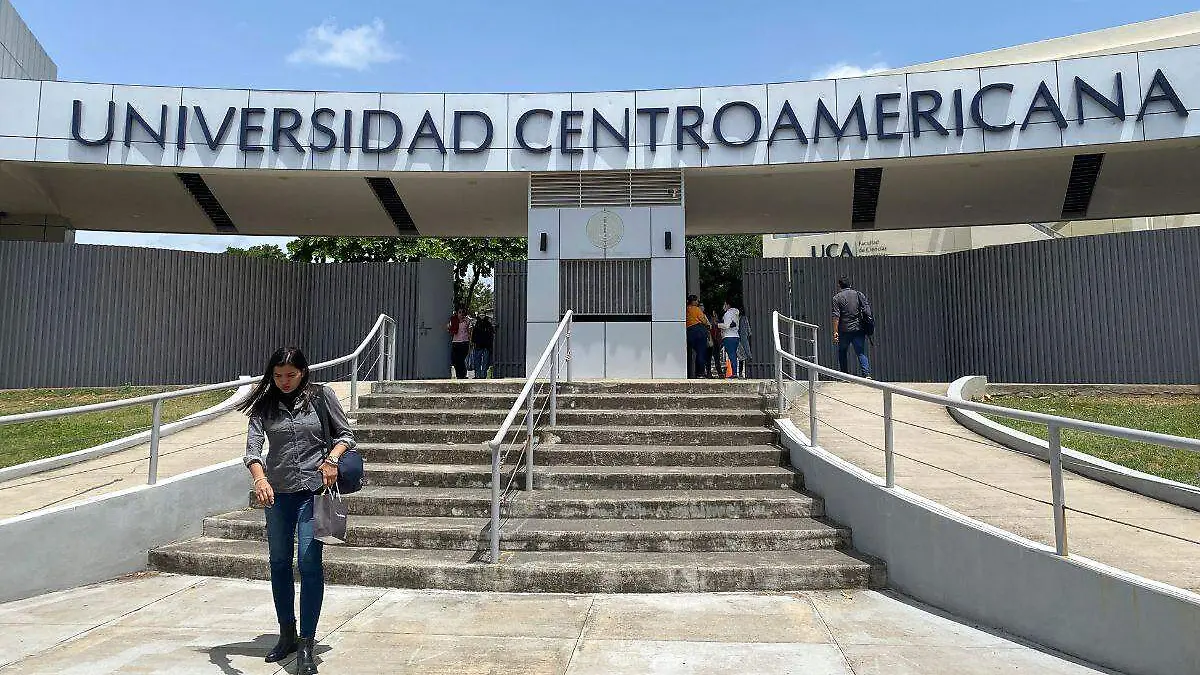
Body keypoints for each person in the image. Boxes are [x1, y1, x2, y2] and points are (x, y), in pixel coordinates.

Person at [239, 347, 354, 675]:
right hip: (277, 494)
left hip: (313, 491)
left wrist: (332, 459)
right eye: (277, 376)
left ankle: (307, 644)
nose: (284, 381)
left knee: (308, 561)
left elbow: (346, 436)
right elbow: (252, 449)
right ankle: (286, 634)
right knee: (278, 562)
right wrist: (259, 478)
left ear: (303, 371)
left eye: (290, 375)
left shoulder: (321, 397)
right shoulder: (264, 404)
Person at [832, 276, 872, 379]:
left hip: (844, 330)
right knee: (861, 352)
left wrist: (835, 331)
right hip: (859, 329)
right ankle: (866, 374)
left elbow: (836, 316)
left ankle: (845, 375)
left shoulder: (837, 298)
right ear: (850, 285)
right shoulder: (858, 294)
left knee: (842, 352)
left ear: (839, 285)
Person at [685, 295, 710, 379]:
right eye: (696, 301)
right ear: (694, 301)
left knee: (690, 352)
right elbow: (704, 320)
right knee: (701, 352)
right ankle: (700, 373)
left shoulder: (685, 309)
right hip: (699, 330)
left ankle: (691, 373)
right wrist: (707, 324)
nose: (697, 302)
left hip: (689, 331)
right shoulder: (696, 309)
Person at [717, 300, 742, 378]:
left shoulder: (728, 313)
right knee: (733, 355)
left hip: (728, 337)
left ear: (728, 305)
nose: (723, 307)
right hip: (736, 336)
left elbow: (726, 325)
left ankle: (734, 373)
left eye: (724, 304)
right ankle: (734, 373)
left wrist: (717, 324)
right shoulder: (736, 313)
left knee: (732, 355)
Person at [446, 305, 472, 379]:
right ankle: (459, 375)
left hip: (464, 342)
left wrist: (470, 343)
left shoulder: (467, 321)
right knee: (455, 359)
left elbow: (470, 332)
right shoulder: (454, 321)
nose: (461, 314)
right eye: (459, 312)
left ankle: (462, 375)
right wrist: (449, 328)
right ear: (457, 313)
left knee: (461, 359)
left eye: (462, 312)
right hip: (456, 342)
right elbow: (449, 330)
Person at [471, 314, 495, 379]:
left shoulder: (477, 323)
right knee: (483, 361)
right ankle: (482, 375)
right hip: (484, 345)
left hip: (481, 344)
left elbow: (474, 333)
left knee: (479, 360)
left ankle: (479, 375)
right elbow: (491, 333)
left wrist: (473, 342)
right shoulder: (487, 323)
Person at [737, 310, 753, 378]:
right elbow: (749, 331)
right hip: (742, 339)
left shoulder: (736, 318)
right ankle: (742, 373)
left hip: (736, 338)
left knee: (740, 357)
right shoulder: (744, 318)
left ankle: (740, 373)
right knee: (744, 356)